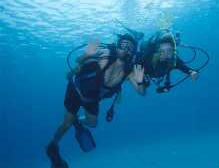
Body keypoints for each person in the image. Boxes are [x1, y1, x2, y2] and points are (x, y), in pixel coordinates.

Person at [46, 34, 146, 168]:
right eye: (123, 44)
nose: (125, 48)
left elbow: (142, 93)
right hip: (77, 91)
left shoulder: (129, 71)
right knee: (67, 123)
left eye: (130, 47)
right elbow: (78, 59)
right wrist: (87, 54)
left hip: (92, 99)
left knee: (92, 123)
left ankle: (76, 121)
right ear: (118, 44)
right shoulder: (106, 53)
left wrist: (140, 82)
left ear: (133, 51)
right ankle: (52, 146)